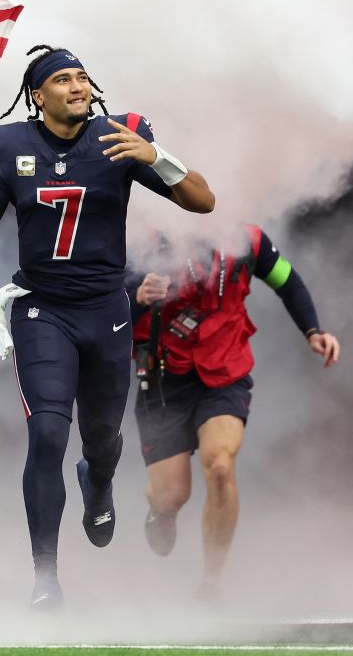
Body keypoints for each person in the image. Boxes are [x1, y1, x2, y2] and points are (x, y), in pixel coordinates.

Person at [0, 44, 215, 609]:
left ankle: (96, 479)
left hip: (105, 310)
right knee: (47, 431)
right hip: (43, 309)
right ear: (37, 95)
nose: (77, 86)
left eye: (82, 77)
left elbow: (203, 202)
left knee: (102, 441)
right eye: (63, 79)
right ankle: (45, 576)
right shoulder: (6, 146)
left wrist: (156, 156)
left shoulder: (121, 135)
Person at [127, 224, 340, 601]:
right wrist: (138, 296)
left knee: (221, 466)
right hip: (163, 379)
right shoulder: (144, 241)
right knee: (171, 495)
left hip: (224, 373)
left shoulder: (249, 241)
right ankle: (160, 510)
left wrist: (313, 331)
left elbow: (287, 280)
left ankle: (211, 584)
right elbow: (99, 300)